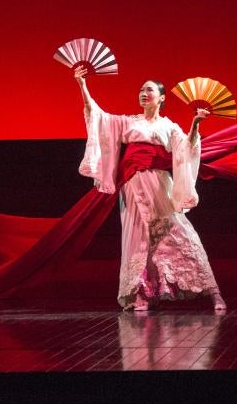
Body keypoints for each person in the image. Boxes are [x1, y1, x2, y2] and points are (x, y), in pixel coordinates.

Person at [74, 67, 226, 312]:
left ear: (162, 98)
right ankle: (139, 294)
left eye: (149, 90)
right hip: (134, 183)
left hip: (159, 182)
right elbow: (98, 116)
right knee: (138, 234)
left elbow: (187, 148)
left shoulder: (169, 127)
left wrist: (196, 123)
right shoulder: (129, 122)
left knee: (179, 232)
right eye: (142, 90)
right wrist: (82, 85)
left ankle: (213, 292)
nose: (144, 94)